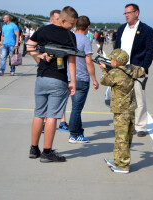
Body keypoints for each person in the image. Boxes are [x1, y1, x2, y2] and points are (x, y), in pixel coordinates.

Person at [26, 6, 78, 162]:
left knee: (38, 114)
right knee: (52, 116)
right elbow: (72, 61)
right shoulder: (70, 36)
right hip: (58, 79)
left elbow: (29, 46)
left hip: (41, 78)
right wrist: (73, 82)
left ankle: (34, 149)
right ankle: (47, 152)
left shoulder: (43, 30)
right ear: (63, 20)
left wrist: (39, 56)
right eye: (72, 23)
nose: (73, 27)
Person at [100, 49, 145, 173]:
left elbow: (104, 80)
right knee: (126, 136)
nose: (111, 61)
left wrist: (104, 69)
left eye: (112, 60)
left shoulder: (115, 73)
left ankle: (123, 165)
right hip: (130, 109)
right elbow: (141, 71)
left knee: (121, 138)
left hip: (120, 110)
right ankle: (118, 159)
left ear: (116, 61)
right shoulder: (131, 69)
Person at [114, 3, 153, 137]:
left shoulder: (146, 30)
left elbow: (150, 50)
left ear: (136, 13)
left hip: (137, 68)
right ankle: (125, 123)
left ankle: (141, 126)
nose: (126, 15)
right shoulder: (121, 29)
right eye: (125, 13)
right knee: (122, 99)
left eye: (129, 13)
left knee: (139, 99)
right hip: (122, 69)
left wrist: (144, 67)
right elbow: (116, 48)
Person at [68, 16, 99, 144]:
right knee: (76, 109)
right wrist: (94, 79)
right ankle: (73, 134)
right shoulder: (85, 40)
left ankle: (79, 133)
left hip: (70, 77)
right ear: (87, 27)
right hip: (82, 78)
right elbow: (88, 61)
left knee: (76, 106)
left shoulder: (69, 37)